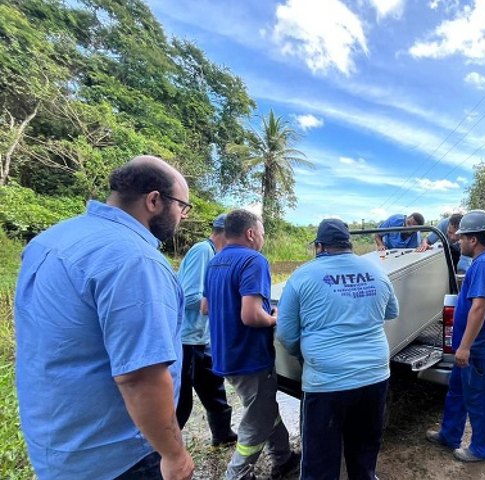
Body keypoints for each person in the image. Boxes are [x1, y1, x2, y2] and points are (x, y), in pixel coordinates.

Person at [14, 156, 194, 480]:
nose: (182, 216)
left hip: (57, 445)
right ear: (154, 201)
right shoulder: (135, 260)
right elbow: (141, 377)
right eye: (182, 206)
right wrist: (174, 454)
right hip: (119, 457)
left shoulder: (49, 240)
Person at [277, 218, 399, 480]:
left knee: (320, 463)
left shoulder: (302, 276)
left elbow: (286, 333)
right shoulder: (376, 271)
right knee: (364, 454)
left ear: (320, 246)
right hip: (374, 376)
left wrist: (303, 354)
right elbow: (392, 311)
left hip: (327, 383)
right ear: (349, 244)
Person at [205, 209, 299, 480]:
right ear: (250, 233)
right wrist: (274, 318)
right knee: (256, 421)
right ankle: (237, 474)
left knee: (264, 408)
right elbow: (251, 315)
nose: (262, 238)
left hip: (225, 354)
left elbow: (205, 306)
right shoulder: (253, 260)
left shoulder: (215, 261)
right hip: (249, 357)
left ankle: (284, 458)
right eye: (262, 233)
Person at [425, 209, 485, 462]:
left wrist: (465, 347)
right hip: (470, 347)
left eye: (461, 237)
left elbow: (479, 307)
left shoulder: (484, 264)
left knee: (481, 401)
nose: (457, 241)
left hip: (480, 350)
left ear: (473, 239)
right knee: (457, 392)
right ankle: (449, 434)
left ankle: (481, 450)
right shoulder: (481, 262)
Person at [175, 213, 238, 446]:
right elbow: (189, 296)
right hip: (186, 339)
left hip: (203, 337)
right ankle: (165, 450)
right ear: (226, 234)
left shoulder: (215, 255)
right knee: (182, 399)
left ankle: (223, 435)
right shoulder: (203, 251)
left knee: (214, 388)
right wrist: (227, 303)